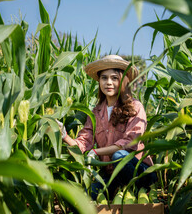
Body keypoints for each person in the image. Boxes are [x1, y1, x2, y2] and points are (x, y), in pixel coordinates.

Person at [58, 55, 157, 200]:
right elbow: (83, 143)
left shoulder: (135, 107)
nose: (108, 82)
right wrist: (64, 135)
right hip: (111, 175)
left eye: (114, 78)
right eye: (104, 78)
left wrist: (96, 152)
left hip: (139, 171)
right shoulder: (96, 113)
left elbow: (129, 144)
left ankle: (140, 190)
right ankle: (119, 190)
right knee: (84, 196)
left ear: (123, 80)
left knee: (119, 157)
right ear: (99, 81)